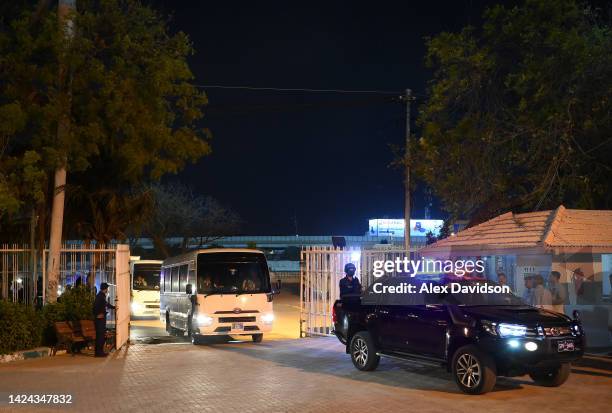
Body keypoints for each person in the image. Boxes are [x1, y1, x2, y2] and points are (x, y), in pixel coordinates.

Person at [93, 282, 116, 357]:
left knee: (101, 335)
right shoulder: (100, 296)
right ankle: (99, 353)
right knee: (100, 336)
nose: (107, 290)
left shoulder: (101, 296)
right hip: (100, 319)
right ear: (105, 289)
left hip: (101, 318)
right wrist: (97, 315)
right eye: (107, 288)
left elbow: (105, 304)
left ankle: (99, 352)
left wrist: (113, 307)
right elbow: (95, 307)